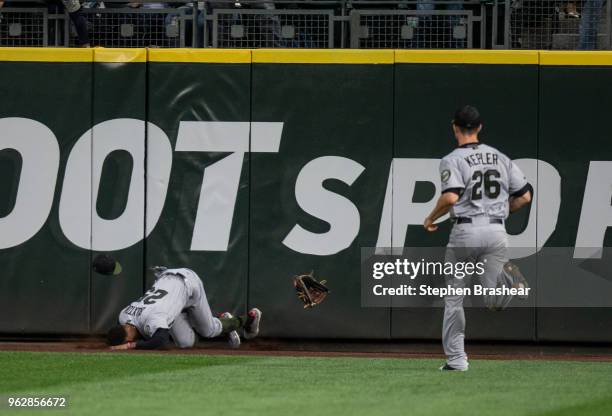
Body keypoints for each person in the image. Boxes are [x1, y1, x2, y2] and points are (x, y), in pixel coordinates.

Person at [423, 105, 533, 371]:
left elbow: (450, 197)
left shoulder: (452, 159)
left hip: (466, 231)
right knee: (493, 300)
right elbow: (525, 195)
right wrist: (500, 211)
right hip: (496, 230)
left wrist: (430, 218)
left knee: (454, 297)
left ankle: (457, 360)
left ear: (455, 127)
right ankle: (509, 279)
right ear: (480, 127)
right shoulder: (501, 157)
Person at [107, 266, 262, 350]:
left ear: (127, 337)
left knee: (209, 330)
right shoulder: (123, 316)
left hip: (188, 284)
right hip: (166, 282)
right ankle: (215, 320)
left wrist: (130, 345)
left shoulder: (153, 319)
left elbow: (161, 341)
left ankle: (248, 319)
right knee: (185, 343)